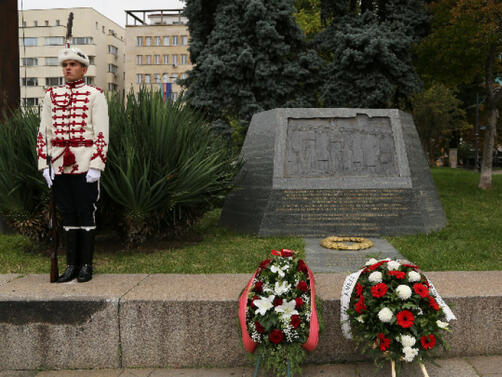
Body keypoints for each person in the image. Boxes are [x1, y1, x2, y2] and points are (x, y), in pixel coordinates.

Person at [36, 47, 109, 283]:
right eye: (65, 64)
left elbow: (101, 132)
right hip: (58, 162)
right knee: (67, 213)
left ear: (84, 69)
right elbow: (44, 132)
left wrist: (97, 164)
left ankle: (86, 265)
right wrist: (44, 164)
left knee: (85, 212)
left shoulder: (94, 94)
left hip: (85, 160)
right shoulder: (51, 95)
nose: (68, 68)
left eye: (73, 64)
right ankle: (71, 266)